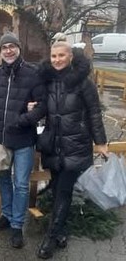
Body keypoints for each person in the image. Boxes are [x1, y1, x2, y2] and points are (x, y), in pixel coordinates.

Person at [33, 41, 107, 259]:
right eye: (54, 56)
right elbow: (40, 104)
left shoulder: (83, 83)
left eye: (61, 55)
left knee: (64, 190)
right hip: (53, 144)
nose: (57, 60)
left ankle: (50, 238)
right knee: (57, 190)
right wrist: (33, 106)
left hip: (75, 144)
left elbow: (94, 113)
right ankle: (62, 231)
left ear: (71, 56)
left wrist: (101, 142)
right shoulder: (46, 80)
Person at [0, 32, 46, 248]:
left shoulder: (33, 73)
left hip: (23, 140)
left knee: (21, 184)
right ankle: (7, 215)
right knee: (2, 180)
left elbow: (42, 106)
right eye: (4, 47)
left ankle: (17, 225)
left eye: (12, 46)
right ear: (0, 51)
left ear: (19, 48)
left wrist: (23, 120)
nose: (8, 50)